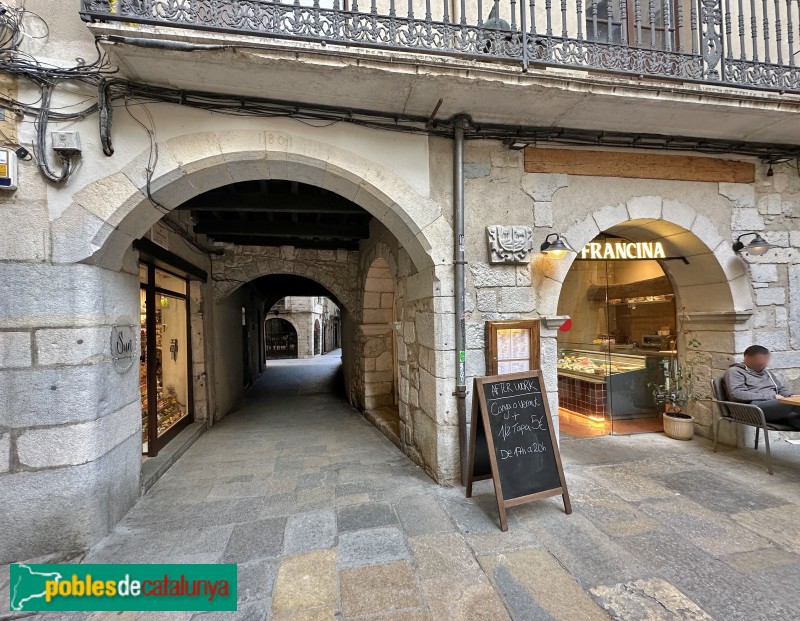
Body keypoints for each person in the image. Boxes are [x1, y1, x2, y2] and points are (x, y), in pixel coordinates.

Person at [724, 345, 800, 430]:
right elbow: (736, 394)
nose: (765, 364)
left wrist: (790, 396)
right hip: (752, 408)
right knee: (791, 403)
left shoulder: (767, 372)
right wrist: (772, 397)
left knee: (796, 418)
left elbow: (779, 389)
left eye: (766, 361)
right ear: (747, 358)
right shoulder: (735, 372)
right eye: (761, 362)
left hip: (774, 408)